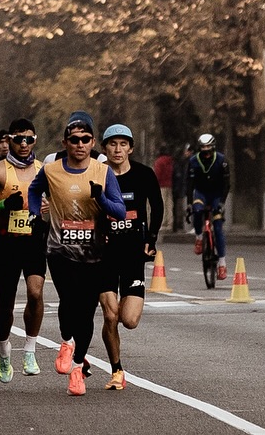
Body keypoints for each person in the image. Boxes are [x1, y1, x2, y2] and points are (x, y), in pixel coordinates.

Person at [29, 116, 127, 396]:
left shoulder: (103, 171)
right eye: (74, 140)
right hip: (59, 251)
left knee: (85, 312)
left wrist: (101, 198)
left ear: (92, 143)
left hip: (95, 255)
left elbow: (119, 211)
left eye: (85, 139)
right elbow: (34, 191)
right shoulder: (51, 170)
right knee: (68, 301)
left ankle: (76, 367)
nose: (80, 144)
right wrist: (37, 213)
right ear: (65, 143)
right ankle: (66, 340)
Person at [0, 117, 48, 383]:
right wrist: (3, 206)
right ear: (9, 141)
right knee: (5, 304)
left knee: (35, 292)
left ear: (35, 140)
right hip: (6, 243)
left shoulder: (44, 169)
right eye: (18, 139)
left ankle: (30, 349)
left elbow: (57, 202)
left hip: (34, 240)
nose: (24, 144)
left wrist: (48, 210)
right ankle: (5, 351)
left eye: (29, 139)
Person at [98, 124, 163, 390]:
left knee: (129, 320)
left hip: (133, 255)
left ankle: (115, 362)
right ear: (105, 148)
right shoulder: (97, 175)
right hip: (104, 255)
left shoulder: (144, 174)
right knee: (110, 316)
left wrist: (151, 239)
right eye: (112, 144)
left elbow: (157, 206)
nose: (117, 149)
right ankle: (116, 370)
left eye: (123, 144)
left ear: (131, 148)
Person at [189, 132, 230, 282]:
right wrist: (189, 203)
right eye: (203, 147)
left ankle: (222, 263)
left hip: (216, 194)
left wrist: (221, 203)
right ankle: (199, 237)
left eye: (208, 147)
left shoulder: (221, 160)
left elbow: (227, 184)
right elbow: (190, 184)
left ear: (213, 147)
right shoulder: (193, 161)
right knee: (197, 210)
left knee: (218, 227)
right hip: (201, 193)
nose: (205, 150)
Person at [152, 146, 175, 233]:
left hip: (161, 185)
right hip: (169, 184)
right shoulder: (170, 161)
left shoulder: (159, 161)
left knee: (163, 204)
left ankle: (163, 223)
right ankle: (170, 223)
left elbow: (157, 174)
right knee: (169, 204)